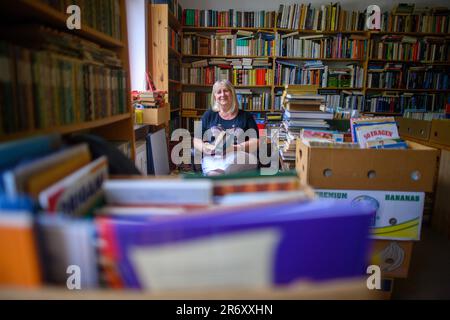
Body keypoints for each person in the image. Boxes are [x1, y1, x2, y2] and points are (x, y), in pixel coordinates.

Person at [193, 80, 259, 176]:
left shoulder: (246, 116)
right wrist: (206, 148)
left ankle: (223, 178)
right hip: (214, 157)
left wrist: (236, 148)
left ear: (232, 93)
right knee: (213, 174)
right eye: (219, 92)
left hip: (240, 156)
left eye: (226, 91)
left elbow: (255, 141)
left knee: (228, 168)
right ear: (215, 96)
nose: (222, 94)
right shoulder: (209, 115)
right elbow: (196, 139)